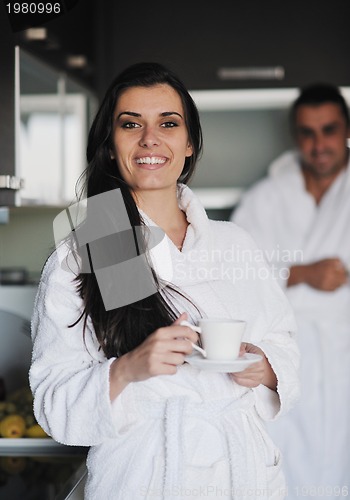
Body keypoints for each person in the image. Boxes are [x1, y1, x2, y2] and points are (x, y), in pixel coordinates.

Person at [29, 62, 299, 500]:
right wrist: (127, 369)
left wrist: (265, 366)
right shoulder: (91, 249)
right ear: (110, 145)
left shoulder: (235, 244)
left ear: (189, 143)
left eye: (168, 124)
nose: (149, 138)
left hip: (242, 472)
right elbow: (54, 405)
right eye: (130, 124)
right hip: (145, 476)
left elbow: (284, 341)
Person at [231, 83, 350, 499]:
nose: (319, 145)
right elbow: (238, 273)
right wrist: (302, 273)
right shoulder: (267, 198)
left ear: (347, 130)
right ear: (295, 135)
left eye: (329, 130)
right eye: (307, 133)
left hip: (344, 352)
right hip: (287, 358)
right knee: (288, 467)